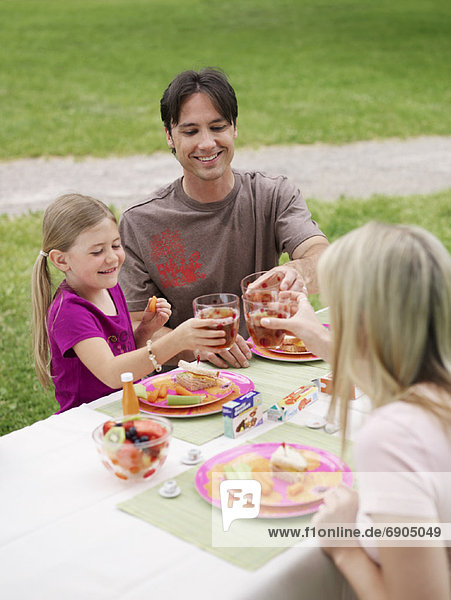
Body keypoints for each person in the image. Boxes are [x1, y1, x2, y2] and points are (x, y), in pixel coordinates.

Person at [261, 221, 451, 599]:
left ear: (364, 322)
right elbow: (396, 377)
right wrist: (316, 335)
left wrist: (343, 544)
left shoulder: (392, 436)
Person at [118, 67, 329, 370]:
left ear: (234, 129)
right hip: (188, 381)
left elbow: (324, 260)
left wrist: (300, 272)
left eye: (217, 127)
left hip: (268, 362)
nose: (206, 144)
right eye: (190, 132)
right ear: (170, 137)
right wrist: (195, 348)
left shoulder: (273, 194)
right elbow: (139, 329)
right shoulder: (140, 222)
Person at [31, 193, 227, 413]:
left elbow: (124, 356)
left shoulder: (110, 288)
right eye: (97, 251)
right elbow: (113, 373)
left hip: (128, 408)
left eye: (116, 245)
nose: (112, 258)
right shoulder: (70, 311)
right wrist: (176, 339)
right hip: (89, 419)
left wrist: (144, 331)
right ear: (61, 260)